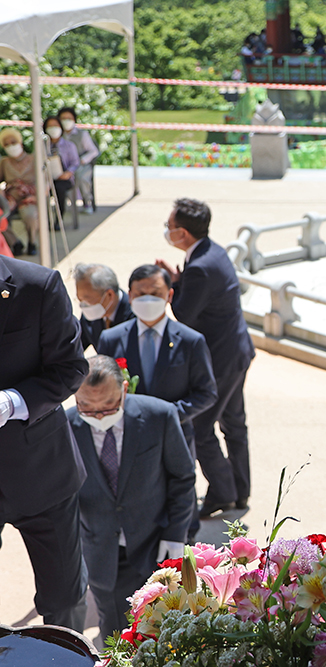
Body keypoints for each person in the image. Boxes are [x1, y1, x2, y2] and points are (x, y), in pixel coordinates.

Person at [66, 355, 195, 641]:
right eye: (87, 407)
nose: (99, 415)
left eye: (108, 407)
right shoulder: (63, 425)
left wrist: (175, 535)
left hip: (157, 546)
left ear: (124, 389)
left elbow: (182, 478)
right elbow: (59, 494)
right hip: (102, 554)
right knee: (116, 637)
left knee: (167, 634)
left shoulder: (159, 416)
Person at [0, 255, 90, 631]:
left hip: (40, 474)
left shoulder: (38, 285)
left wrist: (12, 401)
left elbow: (71, 367)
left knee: (64, 598)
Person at [156, 198, 255, 517]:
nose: (167, 231)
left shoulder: (198, 266)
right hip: (236, 351)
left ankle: (223, 493)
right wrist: (180, 278)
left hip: (220, 360)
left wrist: (172, 283)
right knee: (234, 424)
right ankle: (240, 492)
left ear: (182, 233)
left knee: (200, 425)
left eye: (169, 226)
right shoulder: (214, 251)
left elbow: (183, 314)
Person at [97, 264, 217, 459]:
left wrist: (167, 416)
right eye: (141, 293)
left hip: (175, 440)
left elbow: (206, 393)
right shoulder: (110, 339)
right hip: (127, 442)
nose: (148, 299)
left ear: (169, 295)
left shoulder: (191, 341)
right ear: (130, 296)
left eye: (155, 293)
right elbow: (102, 388)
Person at [73, 263, 134, 352]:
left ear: (109, 295)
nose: (84, 305)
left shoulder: (135, 316)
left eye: (87, 300)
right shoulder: (90, 315)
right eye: (80, 300)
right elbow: (76, 347)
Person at [0, 127, 39, 255]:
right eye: (6, 144)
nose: (11, 146)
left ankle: (32, 242)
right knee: (1, 216)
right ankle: (15, 242)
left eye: (13, 142)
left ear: (20, 142)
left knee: (30, 215)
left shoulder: (34, 159)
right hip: (11, 197)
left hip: (30, 197)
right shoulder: (4, 162)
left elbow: (44, 182)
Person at [58, 107, 101, 215]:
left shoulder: (82, 134)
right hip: (62, 165)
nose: (66, 121)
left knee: (81, 177)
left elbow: (93, 151)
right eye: (63, 118)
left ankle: (87, 201)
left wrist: (81, 160)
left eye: (69, 118)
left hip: (80, 165)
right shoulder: (57, 135)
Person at [43, 116, 80, 223]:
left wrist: (68, 173)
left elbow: (75, 162)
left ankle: (58, 219)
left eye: (56, 125)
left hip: (64, 178)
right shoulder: (42, 146)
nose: (53, 128)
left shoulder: (69, 145)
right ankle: (44, 220)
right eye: (50, 126)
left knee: (59, 189)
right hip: (47, 179)